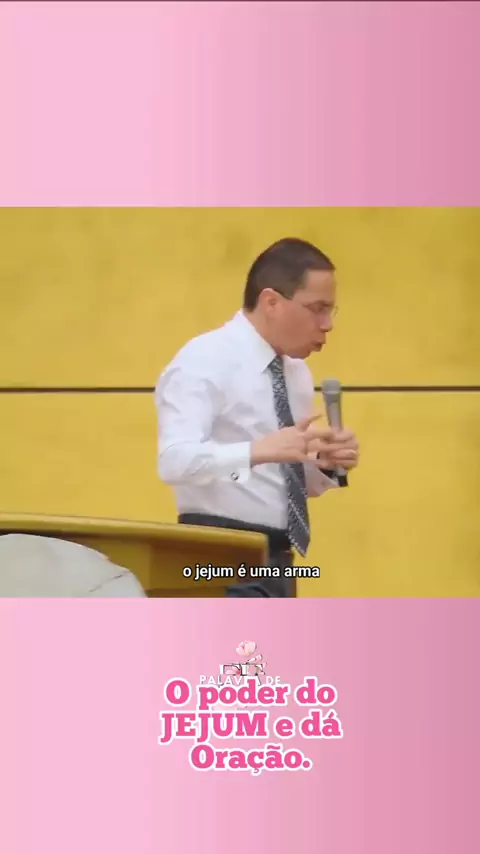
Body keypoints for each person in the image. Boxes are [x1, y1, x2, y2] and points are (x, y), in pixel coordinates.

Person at [154, 237, 359, 597]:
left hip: (278, 556)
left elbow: (279, 481)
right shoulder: (204, 359)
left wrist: (323, 465)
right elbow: (174, 461)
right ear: (271, 302)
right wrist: (257, 450)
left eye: (332, 311)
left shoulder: (295, 373)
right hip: (216, 551)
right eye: (317, 309)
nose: (327, 325)